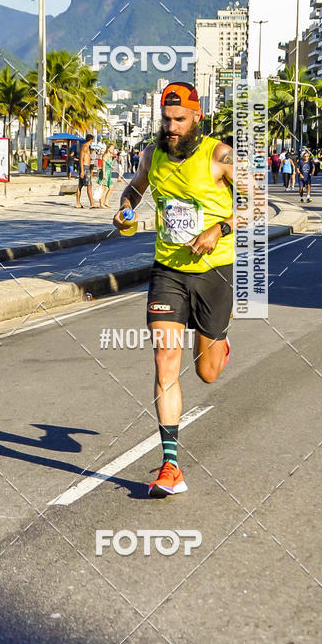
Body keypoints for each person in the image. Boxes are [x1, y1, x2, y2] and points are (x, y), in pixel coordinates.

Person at [113, 82, 236, 497]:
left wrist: (220, 229)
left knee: (207, 372)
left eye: (179, 120)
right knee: (165, 359)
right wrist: (126, 207)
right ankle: (170, 465)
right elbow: (135, 187)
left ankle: (219, 341)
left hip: (214, 272)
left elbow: (257, 201)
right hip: (168, 270)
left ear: (197, 117)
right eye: (166, 120)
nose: (171, 127)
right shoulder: (153, 154)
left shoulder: (220, 156)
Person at [76, 134, 97, 208]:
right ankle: (91, 203)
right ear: (91, 140)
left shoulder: (88, 147)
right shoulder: (84, 146)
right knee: (87, 185)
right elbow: (81, 159)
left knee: (84, 185)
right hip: (84, 167)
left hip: (86, 167)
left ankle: (81, 203)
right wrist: (82, 170)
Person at [98, 144, 116, 208]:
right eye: (111, 148)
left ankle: (106, 202)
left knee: (111, 188)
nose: (112, 150)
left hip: (109, 173)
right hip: (104, 172)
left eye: (113, 148)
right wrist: (104, 175)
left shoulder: (110, 156)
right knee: (103, 189)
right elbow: (103, 166)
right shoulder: (105, 155)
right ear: (108, 148)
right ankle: (101, 203)